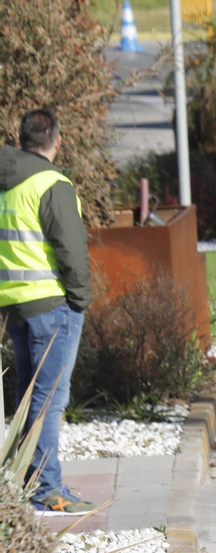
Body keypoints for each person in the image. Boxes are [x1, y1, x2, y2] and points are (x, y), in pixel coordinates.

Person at [0, 109, 99, 515]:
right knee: (49, 399)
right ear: (56, 141)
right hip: (53, 305)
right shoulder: (52, 184)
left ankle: (29, 480)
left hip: (15, 306)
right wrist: (80, 299)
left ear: (22, 139)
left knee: (30, 395)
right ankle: (46, 487)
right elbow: (72, 251)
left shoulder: (6, 186)